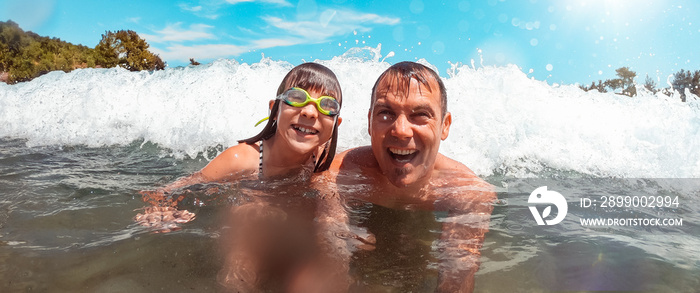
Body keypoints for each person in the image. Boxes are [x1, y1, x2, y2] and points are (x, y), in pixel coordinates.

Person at [134, 62, 364, 292]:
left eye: (327, 106)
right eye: (296, 97)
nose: (310, 112)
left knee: (334, 260)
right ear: (274, 109)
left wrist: (340, 227)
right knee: (242, 264)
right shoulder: (242, 159)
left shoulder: (323, 160)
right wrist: (157, 207)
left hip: (292, 231)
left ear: (335, 124)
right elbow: (173, 187)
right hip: (249, 221)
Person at [318, 61, 496, 292]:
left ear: (445, 125)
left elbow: (458, 272)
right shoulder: (339, 174)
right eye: (386, 113)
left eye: (421, 114)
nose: (401, 130)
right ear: (370, 122)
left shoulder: (467, 192)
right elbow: (331, 257)